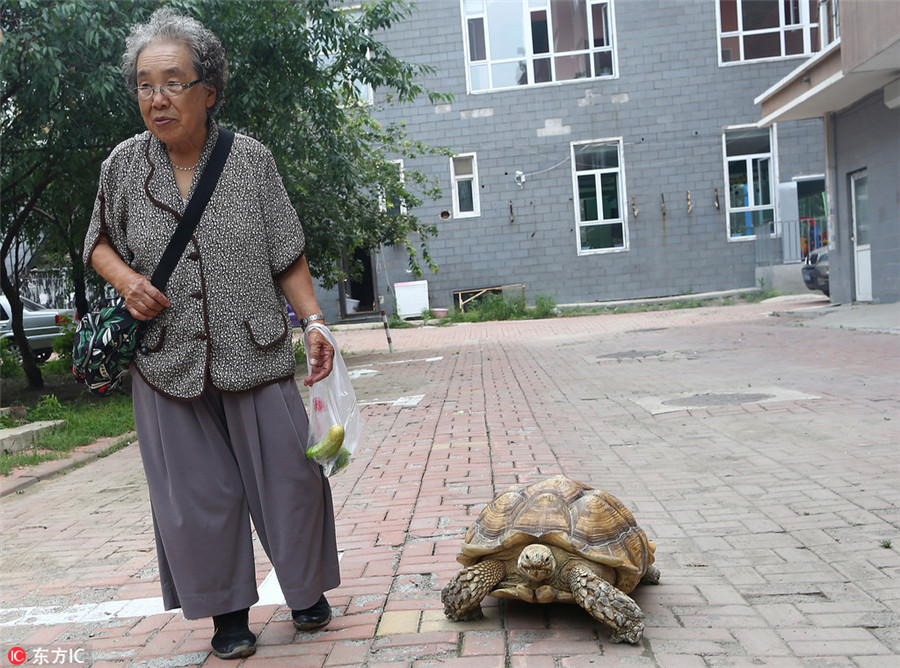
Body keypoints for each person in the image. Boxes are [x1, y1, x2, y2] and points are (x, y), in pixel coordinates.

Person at [83, 8, 340, 660]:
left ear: (209, 89)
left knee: (292, 480)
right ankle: (229, 615)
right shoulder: (122, 165)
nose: (156, 98)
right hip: (167, 361)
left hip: (252, 347)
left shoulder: (249, 160)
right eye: (144, 84)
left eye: (172, 82)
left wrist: (312, 321)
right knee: (197, 497)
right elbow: (98, 244)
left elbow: (287, 253)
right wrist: (125, 281)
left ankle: (304, 591)